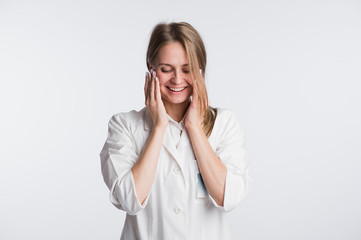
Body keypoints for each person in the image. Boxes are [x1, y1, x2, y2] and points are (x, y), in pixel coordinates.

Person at [99, 21, 251, 240]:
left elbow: (228, 197)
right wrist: (159, 126)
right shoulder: (124, 126)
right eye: (165, 69)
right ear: (150, 67)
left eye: (187, 70)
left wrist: (194, 128)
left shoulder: (224, 123)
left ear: (201, 70)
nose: (177, 80)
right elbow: (130, 200)